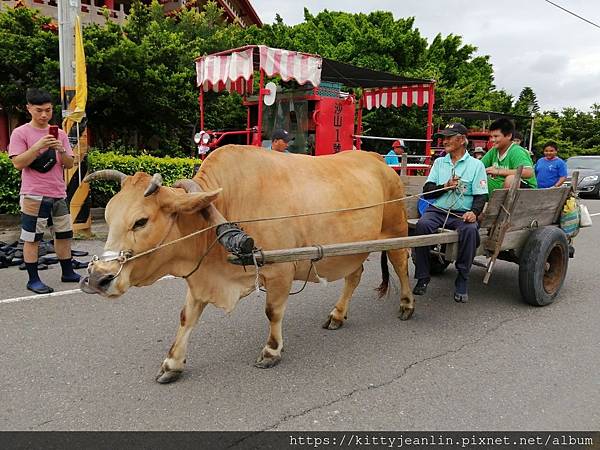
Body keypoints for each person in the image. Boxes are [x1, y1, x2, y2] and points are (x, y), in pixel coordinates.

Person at [8, 88, 81, 294]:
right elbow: (18, 163)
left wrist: (60, 149)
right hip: (33, 193)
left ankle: (67, 272)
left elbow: (68, 163)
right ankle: (33, 279)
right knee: (32, 238)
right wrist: (37, 146)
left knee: (64, 234)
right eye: (39, 110)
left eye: (48, 110)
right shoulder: (20, 133)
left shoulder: (60, 133)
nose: (44, 115)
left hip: (59, 192)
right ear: (28, 108)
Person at [413, 123, 488, 303]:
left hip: (462, 213)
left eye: (449, 137)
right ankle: (423, 276)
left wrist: (474, 212)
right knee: (422, 225)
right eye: (443, 137)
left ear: (462, 140)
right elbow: (428, 189)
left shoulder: (476, 165)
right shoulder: (439, 162)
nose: (444, 141)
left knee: (470, 231)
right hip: (438, 210)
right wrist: (445, 186)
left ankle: (462, 278)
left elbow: (481, 195)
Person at [481, 118, 537, 194]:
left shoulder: (517, 151)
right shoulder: (493, 151)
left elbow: (528, 172)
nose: (492, 140)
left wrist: (498, 171)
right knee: (480, 180)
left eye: (496, 136)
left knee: (511, 179)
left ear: (508, 136)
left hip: (524, 193)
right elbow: (479, 166)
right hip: (499, 189)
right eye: (491, 137)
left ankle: (505, 205)